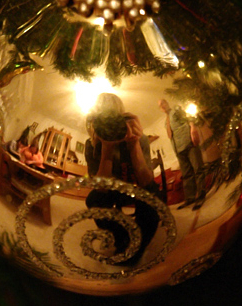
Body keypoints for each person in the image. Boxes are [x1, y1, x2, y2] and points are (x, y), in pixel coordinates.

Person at [85, 93, 159, 265]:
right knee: (94, 200)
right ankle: (122, 238)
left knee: (154, 196)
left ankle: (138, 245)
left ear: (123, 118)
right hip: (111, 190)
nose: (110, 126)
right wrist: (106, 149)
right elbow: (99, 187)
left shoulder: (139, 138)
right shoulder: (92, 145)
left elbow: (147, 182)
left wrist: (134, 145)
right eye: (104, 120)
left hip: (136, 188)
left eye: (114, 119)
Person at [158, 98, 204, 209]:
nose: (162, 106)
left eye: (163, 102)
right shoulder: (165, 123)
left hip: (188, 143)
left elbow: (189, 118)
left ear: (167, 102)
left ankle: (201, 197)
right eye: (160, 105)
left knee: (198, 169)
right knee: (186, 174)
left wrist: (193, 129)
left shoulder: (177, 110)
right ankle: (190, 198)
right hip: (178, 150)